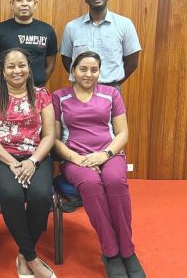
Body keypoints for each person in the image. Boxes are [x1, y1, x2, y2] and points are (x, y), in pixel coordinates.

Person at [52, 51, 145, 278]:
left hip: (109, 154)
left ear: (99, 72)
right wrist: (77, 159)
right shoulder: (59, 96)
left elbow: (123, 133)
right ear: (72, 71)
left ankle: (127, 250)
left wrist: (105, 155)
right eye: (83, 69)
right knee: (92, 185)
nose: (88, 74)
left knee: (115, 181)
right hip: (75, 158)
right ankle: (111, 252)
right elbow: (53, 139)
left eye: (94, 70)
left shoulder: (111, 93)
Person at [0, 48, 56, 278]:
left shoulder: (42, 95)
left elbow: (50, 135)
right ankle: (31, 258)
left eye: (22, 65)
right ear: (2, 71)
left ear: (29, 69)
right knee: (12, 195)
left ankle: (23, 255)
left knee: (41, 195)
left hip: (35, 156)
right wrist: (12, 161)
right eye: (10, 66)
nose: (17, 70)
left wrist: (32, 160)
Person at [59, 0, 141, 90]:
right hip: (79, 89)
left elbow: (132, 62)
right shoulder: (71, 27)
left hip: (111, 89)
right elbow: (67, 60)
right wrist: (81, 80)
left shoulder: (125, 24)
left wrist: (114, 84)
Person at [0, 0, 57, 87]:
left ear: (35, 4)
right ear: (12, 4)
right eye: (19, 0)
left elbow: (50, 64)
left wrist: (39, 84)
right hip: (8, 91)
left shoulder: (47, 30)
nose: (24, 3)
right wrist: (6, 85)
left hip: (37, 90)